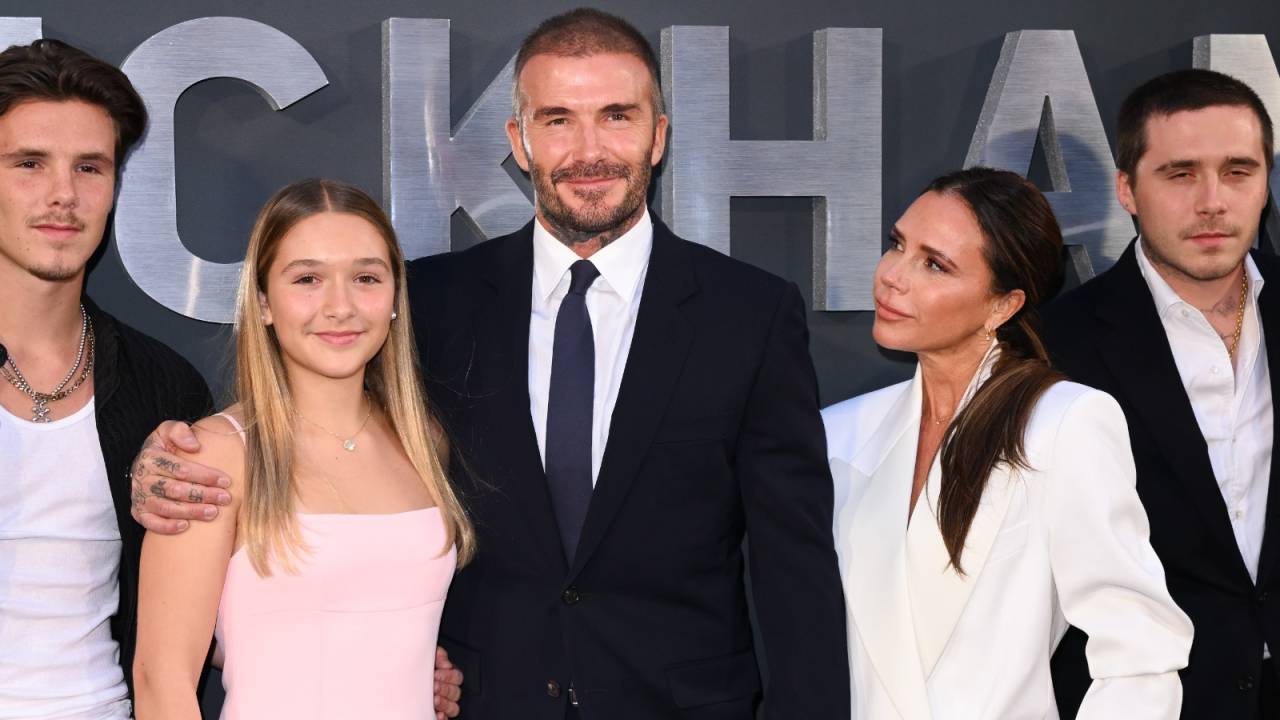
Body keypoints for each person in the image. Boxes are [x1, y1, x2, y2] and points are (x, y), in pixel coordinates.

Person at [129, 8, 850, 719]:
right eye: (558, 119)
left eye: (618, 116)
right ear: (520, 138)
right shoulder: (431, 304)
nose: (589, 149)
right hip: (487, 703)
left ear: (658, 136)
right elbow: (304, 435)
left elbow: (794, 566)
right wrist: (163, 466)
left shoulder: (748, 315)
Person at [823, 167, 1193, 718]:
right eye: (897, 245)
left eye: (934, 264)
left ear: (1003, 305)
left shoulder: (1064, 424)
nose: (893, 277)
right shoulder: (839, 431)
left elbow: (1139, 649)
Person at [131, 179, 474, 720]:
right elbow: (162, 684)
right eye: (308, 279)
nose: (339, 306)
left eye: (365, 277)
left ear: (393, 299)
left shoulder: (424, 441)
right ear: (263, 302)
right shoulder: (214, 456)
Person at [1046, 69, 1280, 719]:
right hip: (1145, 700)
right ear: (1128, 188)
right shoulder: (1052, 347)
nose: (1212, 201)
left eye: (1238, 171)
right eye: (1180, 174)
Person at [0, 39, 212, 719]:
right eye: (29, 164)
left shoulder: (164, 388)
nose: (63, 194)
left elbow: (215, 616)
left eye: (90, 167)